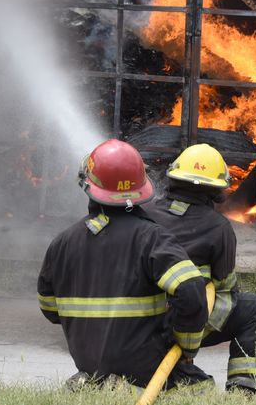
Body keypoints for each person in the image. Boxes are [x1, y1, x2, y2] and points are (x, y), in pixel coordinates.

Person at [37, 139, 211, 389]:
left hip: (90, 366)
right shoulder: (152, 238)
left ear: (87, 184)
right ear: (142, 186)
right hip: (146, 371)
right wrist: (186, 345)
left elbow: (49, 309)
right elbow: (191, 289)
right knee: (201, 388)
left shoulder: (61, 243)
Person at [143, 143, 256, 399]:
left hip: (137, 322)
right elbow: (225, 290)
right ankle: (247, 390)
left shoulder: (145, 215)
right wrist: (189, 341)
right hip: (183, 320)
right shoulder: (219, 228)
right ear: (218, 190)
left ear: (173, 176)